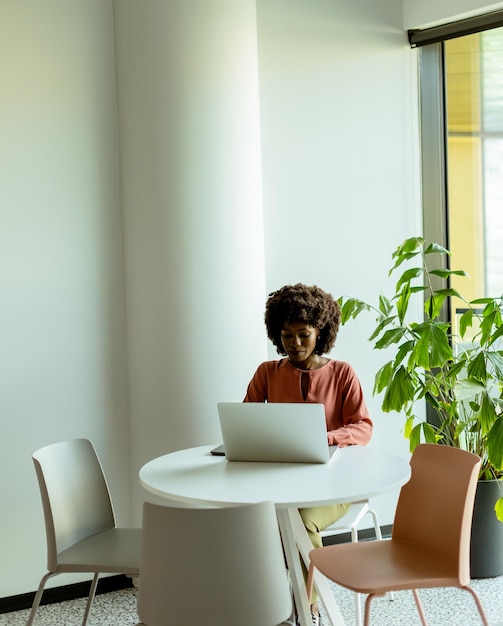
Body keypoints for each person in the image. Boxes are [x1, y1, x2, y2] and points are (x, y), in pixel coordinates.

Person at [244, 283, 373, 626]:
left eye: (303, 334)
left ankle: (307, 606)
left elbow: (362, 427)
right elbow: (247, 422)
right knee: (256, 518)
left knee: (298, 522)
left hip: (334, 486)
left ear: (321, 332)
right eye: (287, 335)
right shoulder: (267, 373)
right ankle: (280, 601)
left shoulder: (343, 373)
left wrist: (325, 438)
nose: (295, 344)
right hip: (281, 482)